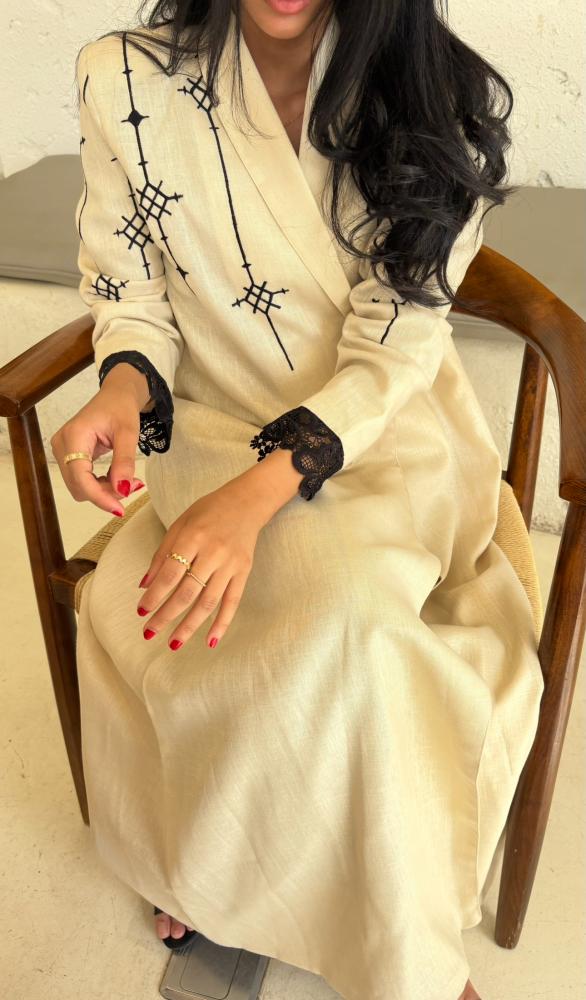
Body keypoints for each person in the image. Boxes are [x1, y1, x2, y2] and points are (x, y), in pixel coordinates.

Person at [52, 1, 545, 998]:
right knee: (200, 620)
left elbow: (396, 346)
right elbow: (131, 295)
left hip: (378, 438)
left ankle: (408, 960)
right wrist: (121, 386)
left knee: (351, 624)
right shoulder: (123, 77)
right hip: (212, 429)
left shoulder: (432, 97)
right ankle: (225, 873)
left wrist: (257, 498)